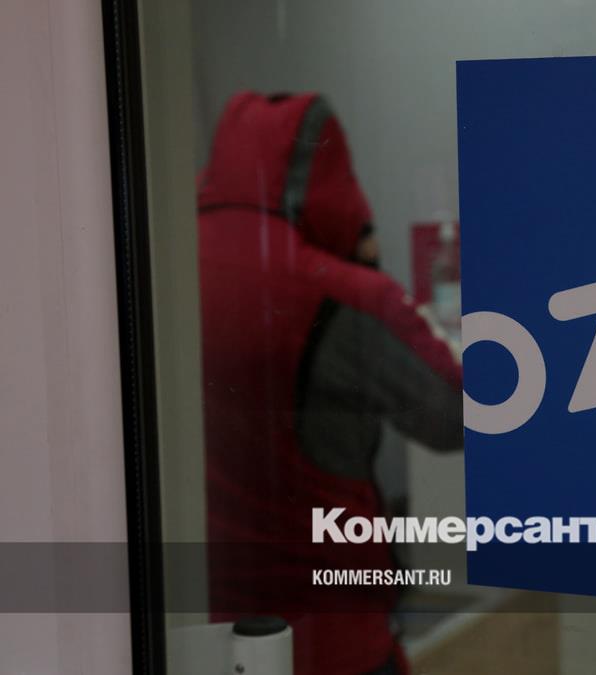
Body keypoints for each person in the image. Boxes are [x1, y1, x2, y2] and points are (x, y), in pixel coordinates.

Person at [196, 91, 463, 675]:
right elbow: (453, 416)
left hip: (204, 633)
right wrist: (365, 267)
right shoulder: (336, 294)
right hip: (331, 634)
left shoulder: (158, 261)